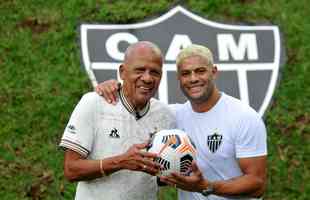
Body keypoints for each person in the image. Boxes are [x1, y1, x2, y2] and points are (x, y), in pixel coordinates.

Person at [96, 44, 268, 200]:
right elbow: (132, 104)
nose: (193, 79)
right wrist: (112, 86)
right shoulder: (171, 116)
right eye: (186, 73)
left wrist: (206, 187)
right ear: (178, 78)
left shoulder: (244, 117)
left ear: (214, 72)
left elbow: (257, 184)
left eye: (200, 71)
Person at [59, 41, 176, 200]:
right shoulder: (93, 103)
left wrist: (173, 170)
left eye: (154, 72)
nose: (147, 78)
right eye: (140, 70)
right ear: (122, 72)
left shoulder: (165, 116)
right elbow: (71, 170)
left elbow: (160, 179)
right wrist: (121, 162)